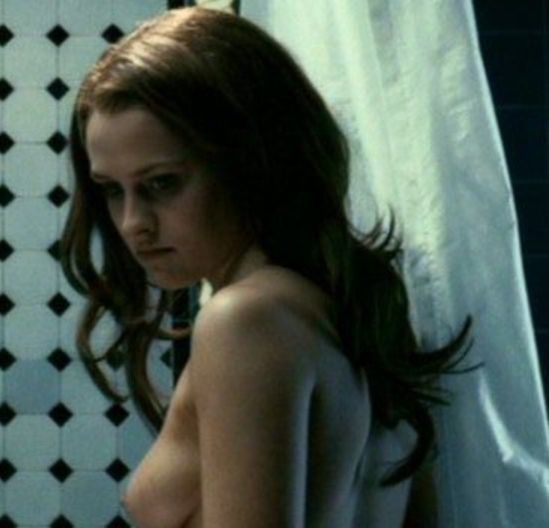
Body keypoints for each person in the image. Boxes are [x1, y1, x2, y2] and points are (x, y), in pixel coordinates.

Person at [60, 6, 475, 527]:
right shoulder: (356, 316)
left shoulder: (244, 321)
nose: (132, 223)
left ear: (251, 160)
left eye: (162, 183)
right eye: (111, 190)